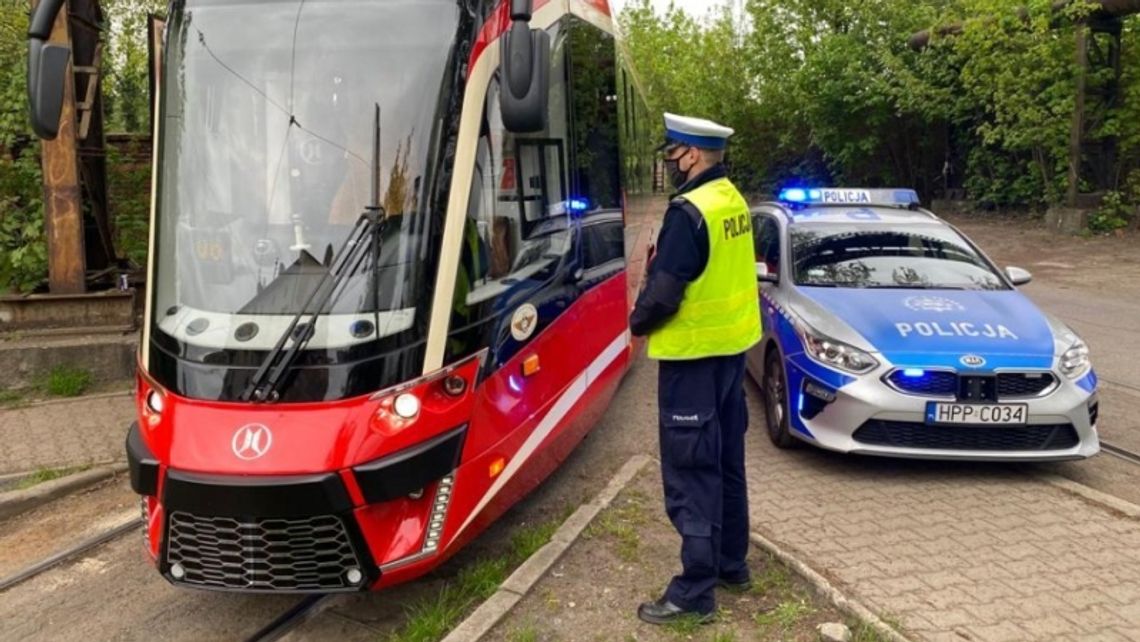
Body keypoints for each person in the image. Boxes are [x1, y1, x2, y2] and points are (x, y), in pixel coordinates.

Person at [630, 112, 762, 625]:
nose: (671, 161)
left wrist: (636, 322)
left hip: (692, 362)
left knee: (692, 472)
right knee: (727, 462)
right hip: (731, 354)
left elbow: (665, 291)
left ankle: (694, 593)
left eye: (673, 153)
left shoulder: (688, 212)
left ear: (689, 155)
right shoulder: (731, 200)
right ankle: (733, 565)